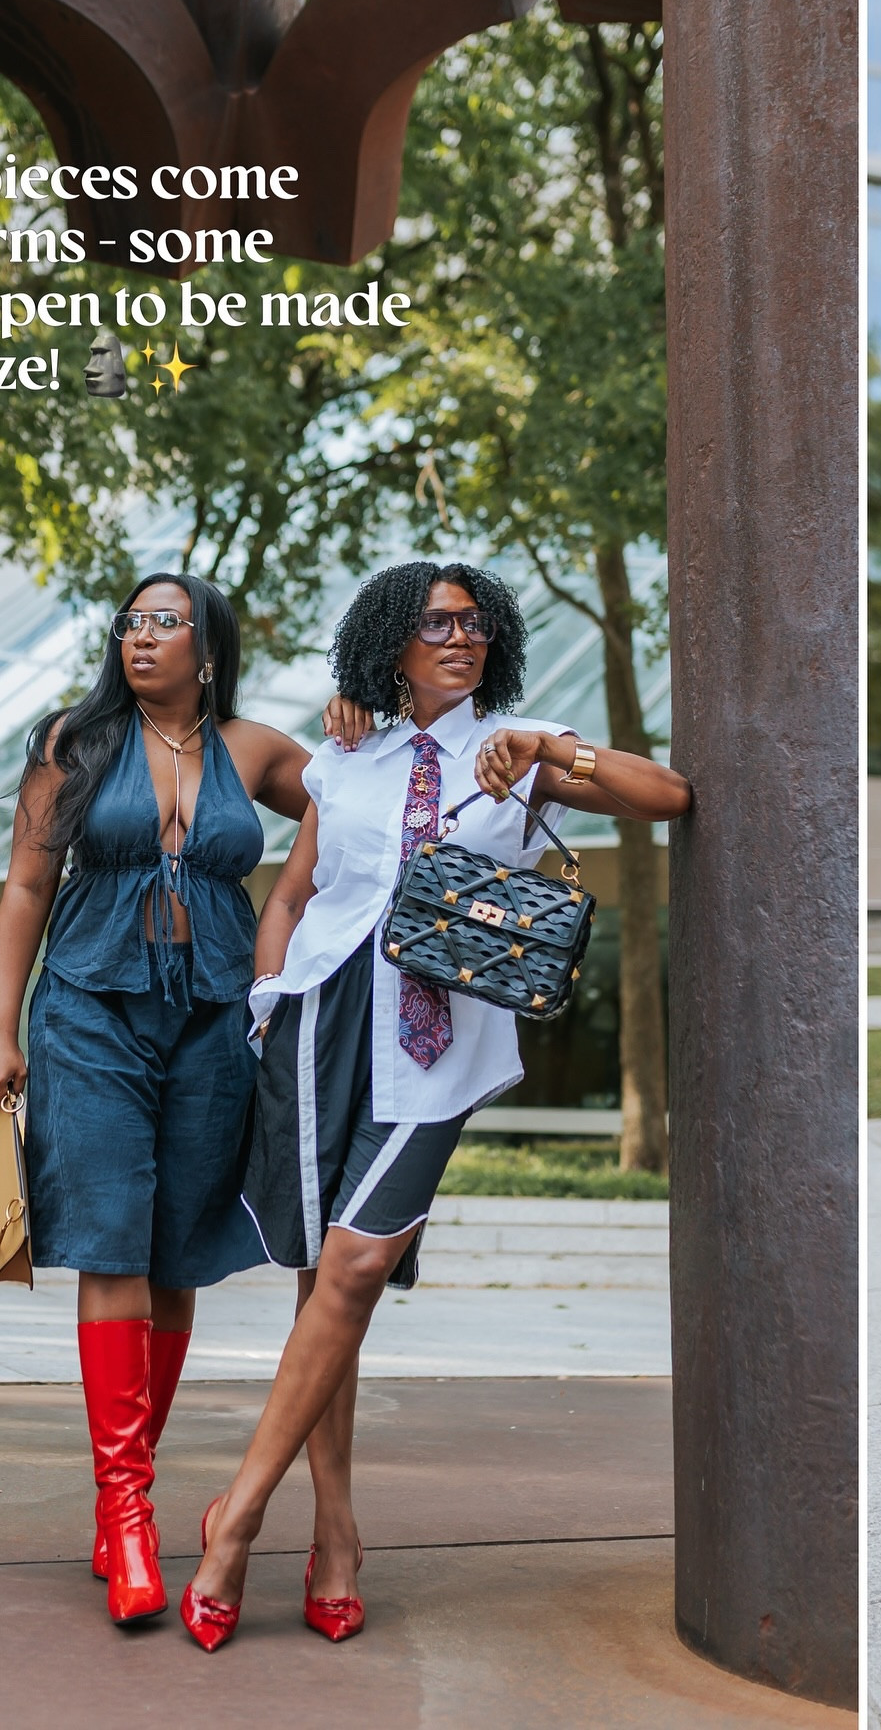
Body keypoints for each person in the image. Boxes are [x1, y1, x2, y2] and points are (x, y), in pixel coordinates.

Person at [179, 560, 692, 1651]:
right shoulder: (348, 753)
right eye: (434, 624)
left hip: (441, 1041)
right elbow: (297, 891)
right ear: (391, 643)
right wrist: (269, 998)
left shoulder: (515, 747)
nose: (459, 638)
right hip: (321, 1021)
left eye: (474, 623)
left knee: (358, 1267)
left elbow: (669, 797)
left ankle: (237, 1518)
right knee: (328, 1279)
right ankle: (339, 1531)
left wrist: (553, 751)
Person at [0, 572, 356, 1629]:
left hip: (215, 1021)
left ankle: (124, 1496)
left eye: (165, 623)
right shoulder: (73, 743)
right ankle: (127, 1510)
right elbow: (24, 888)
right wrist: (0, 1029)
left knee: (177, 1250)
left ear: (209, 644)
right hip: (90, 1012)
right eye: (131, 622)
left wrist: (354, 726)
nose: (142, 637)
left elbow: (356, 815)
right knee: (113, 1244)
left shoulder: (257, 751)